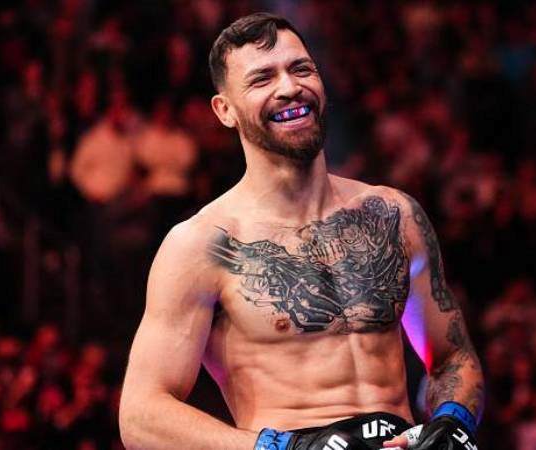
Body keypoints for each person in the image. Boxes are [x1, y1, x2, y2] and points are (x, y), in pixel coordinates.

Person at [119, 13, 484, 450]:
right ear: (225, 110)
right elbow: (141, 416)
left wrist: (451, 422)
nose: (289, 87)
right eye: (262, 78)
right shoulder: (203, 244)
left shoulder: (393, 214)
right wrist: (285, 448)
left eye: (301, 68)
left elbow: (452, 356)